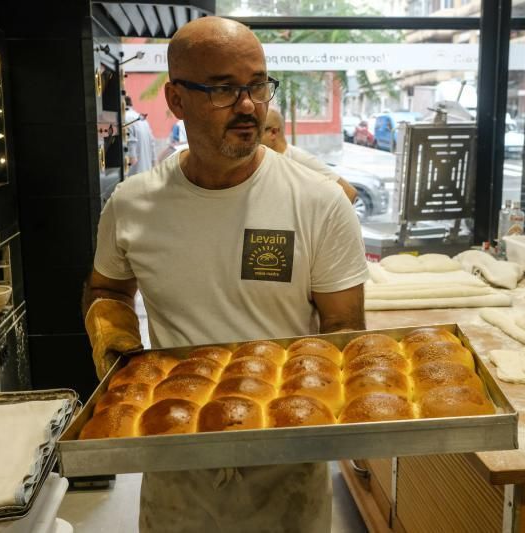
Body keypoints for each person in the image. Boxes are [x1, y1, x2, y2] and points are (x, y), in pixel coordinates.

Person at [82, 16, 368, 533]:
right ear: (175, 100)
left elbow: (343, 329)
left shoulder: (318, 202)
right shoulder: (133, 204)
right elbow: (107, 290)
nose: (248, 106)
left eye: (257, 85)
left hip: (287, 464)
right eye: (222, 89)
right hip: (177, 460)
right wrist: (119, 356)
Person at [261, 108, 358, 204]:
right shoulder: (266, 160)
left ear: (273, 132)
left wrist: (316, 218)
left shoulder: (299, 159)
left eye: (257, 132)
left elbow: (349, 193)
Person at [124, 95, 156, 175]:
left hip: (135, 174)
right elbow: (152, 143)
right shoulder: (142, 119)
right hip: (147, 171)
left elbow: (131, 144)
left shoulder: (125, 118)